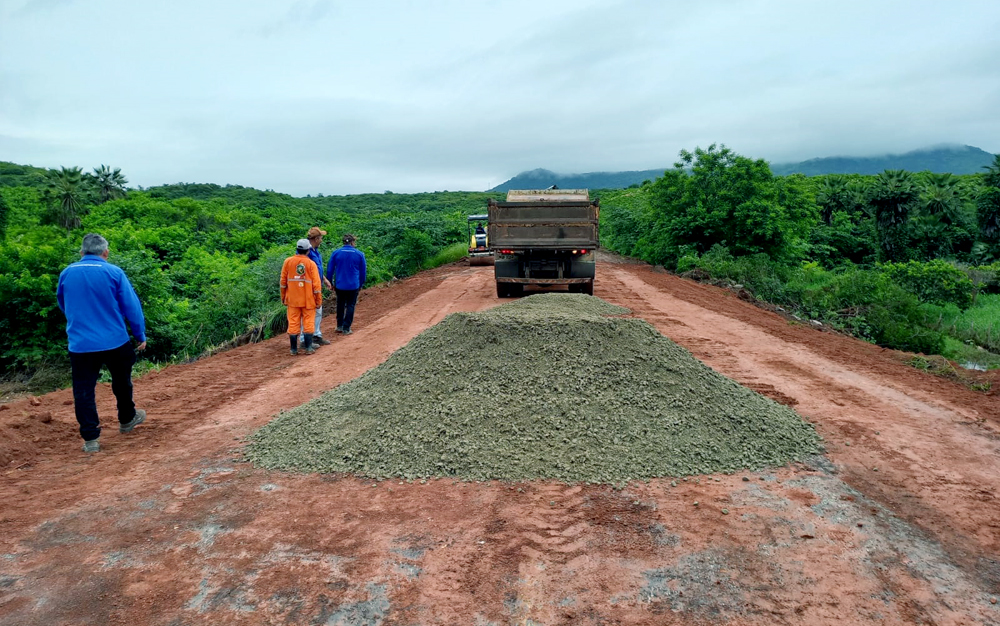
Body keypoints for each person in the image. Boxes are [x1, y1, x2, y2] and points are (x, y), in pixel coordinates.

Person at [56, 233, 147, 453]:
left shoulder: (67, 273)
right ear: (105, 253)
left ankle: (91, 439)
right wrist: (140, 335)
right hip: (114, 340)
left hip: (81, 344)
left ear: (81, 253)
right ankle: (126, 419)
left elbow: (62, 303)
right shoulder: (114, 272)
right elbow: (131, 307)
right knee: (122, 381)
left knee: (83, 390)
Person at [281, 238, 323, 355]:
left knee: (293, 323)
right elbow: (316, 285)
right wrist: (318, 300)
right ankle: (308, 348)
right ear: (308, 250)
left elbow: (283, 282)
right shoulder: (311, 264)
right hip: (308, 300)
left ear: (297, 249)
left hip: (293, 300)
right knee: (308, 322)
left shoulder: (288, 262)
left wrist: (283, 297)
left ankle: (293, 349)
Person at [297, 226, 333, 346]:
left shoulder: (315, 251)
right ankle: (304, 339)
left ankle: (316, 335)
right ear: (316, 239)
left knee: (318, 310)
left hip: (316, 285)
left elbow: (316, 269)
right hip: (308, 287)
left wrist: (325, 280)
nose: (321, 240)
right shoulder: (306, 252)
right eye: (320, 238)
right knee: (307, 312)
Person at [325, 233, 367, 335]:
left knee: (340, 303)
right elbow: (363, 272)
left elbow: (330, 269)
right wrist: (361, 284)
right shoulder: (359, 254)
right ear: (353, 242)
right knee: (350, 305)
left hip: (340, 285)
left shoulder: (336, 253)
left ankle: (339, 325)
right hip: (353, 285)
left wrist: (330, 282)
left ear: (343, 242)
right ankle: (346, 327)